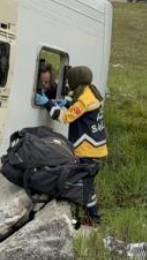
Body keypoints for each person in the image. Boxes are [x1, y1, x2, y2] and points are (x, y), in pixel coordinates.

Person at [35, 66, 106, 223]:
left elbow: (64, 118)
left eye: (69, 81)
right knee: (85, 185)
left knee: (83, 185)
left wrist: (48, 103)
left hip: (88, 151)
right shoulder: (91, 91)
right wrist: (67, 103)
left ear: (76, 81)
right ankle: (89, 217)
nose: (68, 84)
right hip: (96, 150)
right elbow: (81, 108)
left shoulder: (83, 100)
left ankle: (93, 219)